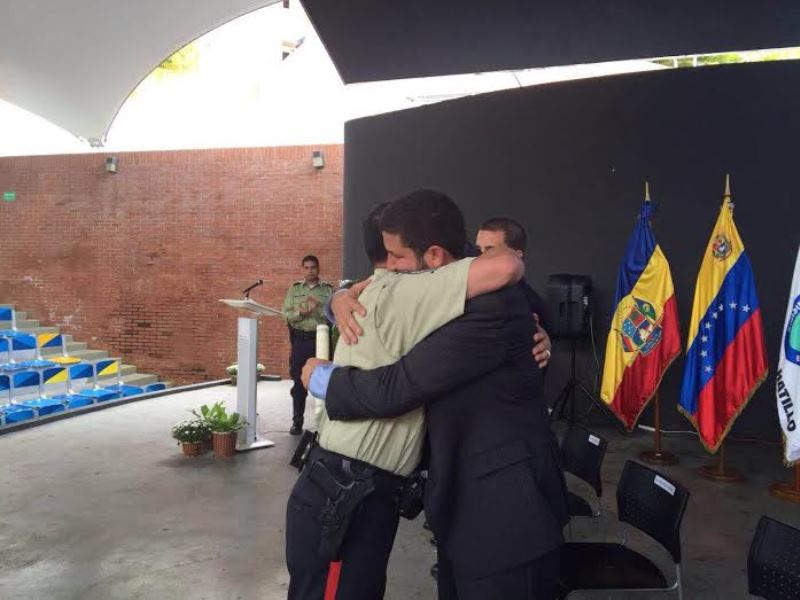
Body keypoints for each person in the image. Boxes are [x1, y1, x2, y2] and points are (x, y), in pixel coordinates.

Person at [305, 198, 569, 599]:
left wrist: (322, 379)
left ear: (434, 256)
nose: (387, 268)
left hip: (504, 517)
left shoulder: (489, 307)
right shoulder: (445, 289)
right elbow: (375, 296)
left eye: (395, 257)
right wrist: (336, 300)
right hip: (464, 508)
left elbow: (398, 386)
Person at [477, 217, 552, 368]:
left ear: (517, 256)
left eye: (490, 250)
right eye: (478, 249)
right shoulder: (467, 290)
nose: (479, 258)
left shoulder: (530, 305)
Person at [282, 255, 333, 435]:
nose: (310, 271)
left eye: (313, 267)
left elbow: (333, 316)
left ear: (318, 269)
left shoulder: (328, 291)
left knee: (327, 381)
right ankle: (297, 422)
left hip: (321, 341)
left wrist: (318, 310)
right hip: (300, 340)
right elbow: (285, 314)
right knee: (298, 382)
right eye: (307, 267)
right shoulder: (294, 290)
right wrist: (302, 312)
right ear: (302, 269)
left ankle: (326, 424)